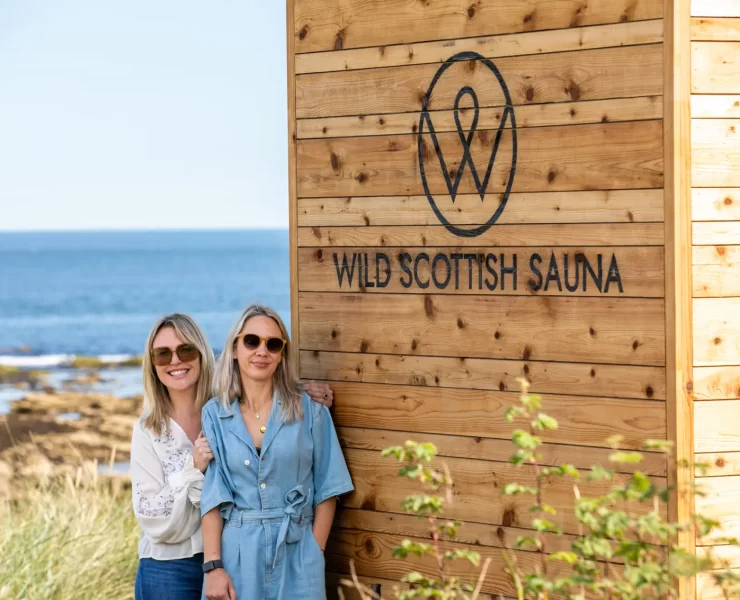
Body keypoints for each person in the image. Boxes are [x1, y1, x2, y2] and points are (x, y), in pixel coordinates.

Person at [131, 312, 335, 600]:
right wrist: (193, 469)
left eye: (185, 349)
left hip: (231, 558)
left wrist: (301, 391)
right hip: (170, 566)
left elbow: (260, 387)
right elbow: (152, 517)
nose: (175, 361)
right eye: (163, 354)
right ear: (152, 365)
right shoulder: (148, 430)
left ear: (201, 354)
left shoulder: (220, 407)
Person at [200, 304, 353, 600]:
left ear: (282, 354)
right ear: (234, 349)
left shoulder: (311, 410)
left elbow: (329, 488)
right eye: (251, 341)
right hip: (237, 553)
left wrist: (314, 551)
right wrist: (213, 567)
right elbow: (212, 498)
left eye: (273, 344)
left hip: (297, 551)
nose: (262, 351)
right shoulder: (214, 415)